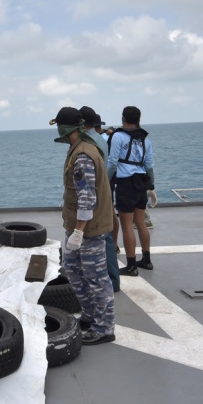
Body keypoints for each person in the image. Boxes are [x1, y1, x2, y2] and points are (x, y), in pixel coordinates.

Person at [51, 107, 116, 345]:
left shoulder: (82, 156)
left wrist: (78, 232)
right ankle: (90, 317)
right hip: (80, 228)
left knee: (97, 279)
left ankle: (105, 328)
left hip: (89, 230)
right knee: (76, 274)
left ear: (64, 128)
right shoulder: (78, 149)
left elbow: (87, 198)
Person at [106, 106, 158, 277]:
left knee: (127, 224)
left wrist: (106, 181)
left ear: (123, 118)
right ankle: (147, 259)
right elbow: (149, 165)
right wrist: (151, 186)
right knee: (140, 221)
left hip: (125, 182)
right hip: (141, 181)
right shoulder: (145, 139)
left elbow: (113, 162)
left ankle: (131, 265)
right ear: (139, 119)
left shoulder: (118, 136)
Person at [79, 107, 119, 293]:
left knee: (101, 237)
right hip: (104, 190)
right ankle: (113, 278)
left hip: (97, 192)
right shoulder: (100, 139)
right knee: (107, 235)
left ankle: (109, 280)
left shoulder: (90, 142)